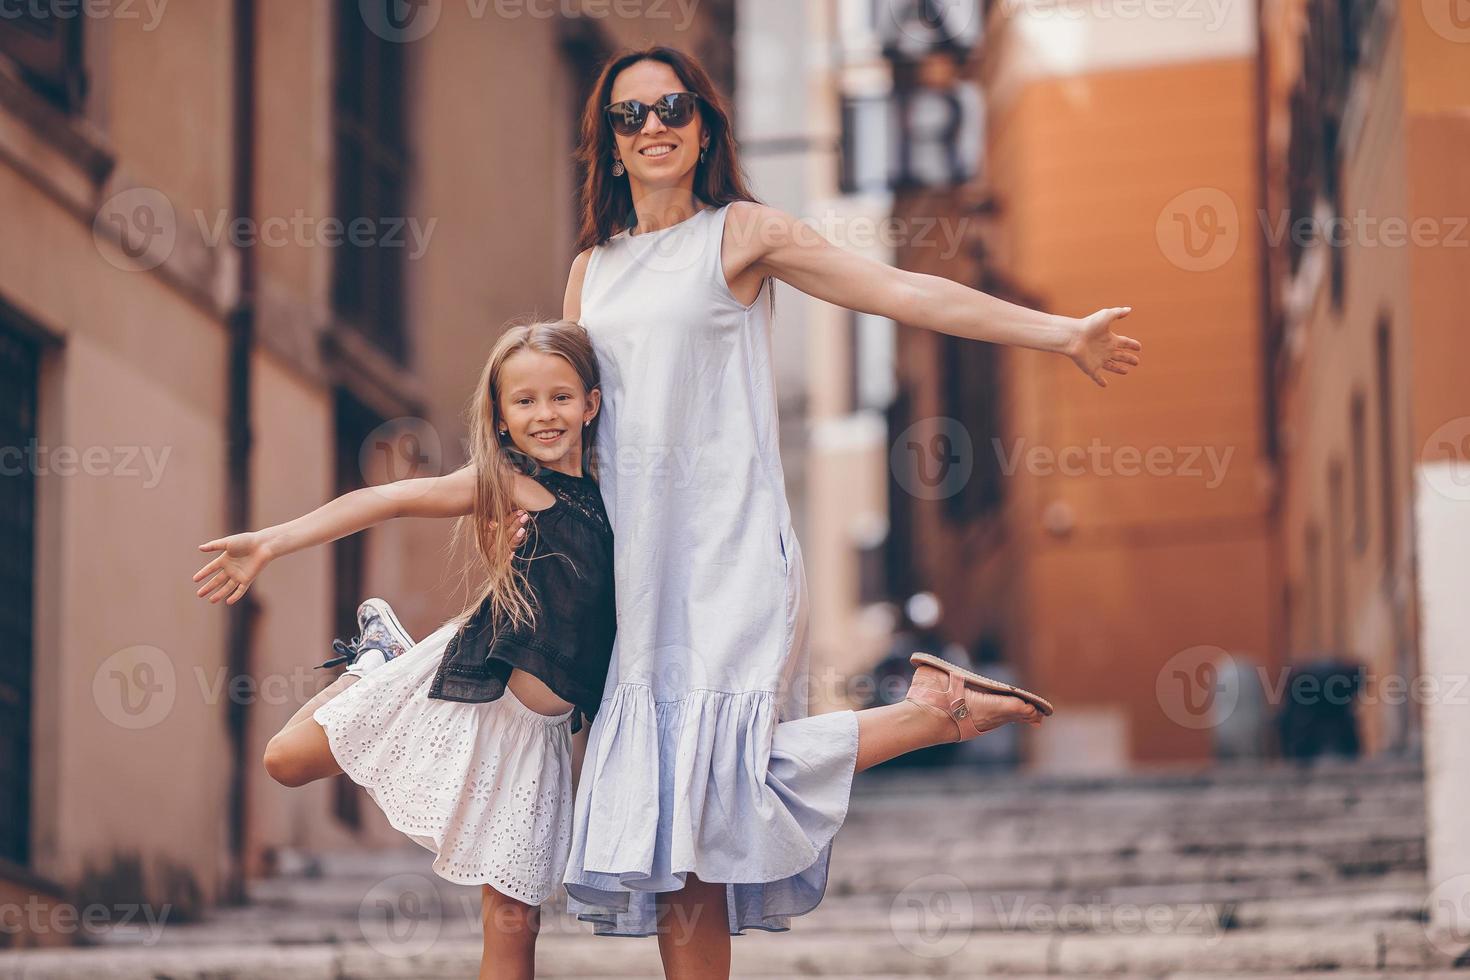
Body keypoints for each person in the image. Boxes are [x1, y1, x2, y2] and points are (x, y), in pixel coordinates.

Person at [558, 46, 1138, 977]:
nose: (654, 126)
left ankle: (923, 716)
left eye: (673, 107)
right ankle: (928, 711)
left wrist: (1059, 333)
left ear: (704, 125)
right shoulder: (592, 272)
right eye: (631, 116)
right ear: (609, 144)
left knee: (710, 797)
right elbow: (568, 428)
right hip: (633, 566)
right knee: (677, 837)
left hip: (724, 553)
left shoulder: (743, 234)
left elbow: (903, 291)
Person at [191, 319, 614, 980]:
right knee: (284, 761)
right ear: (501, 418)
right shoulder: (507, 482)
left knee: (513, 931)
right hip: (469, 687)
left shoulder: (616, 495)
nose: (545, 414)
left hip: (539, 738)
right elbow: (389, 499)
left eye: (561, 397)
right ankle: (376, 665)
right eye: (524, 401)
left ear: (591, 403)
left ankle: (378, 660)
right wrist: (272, 541)